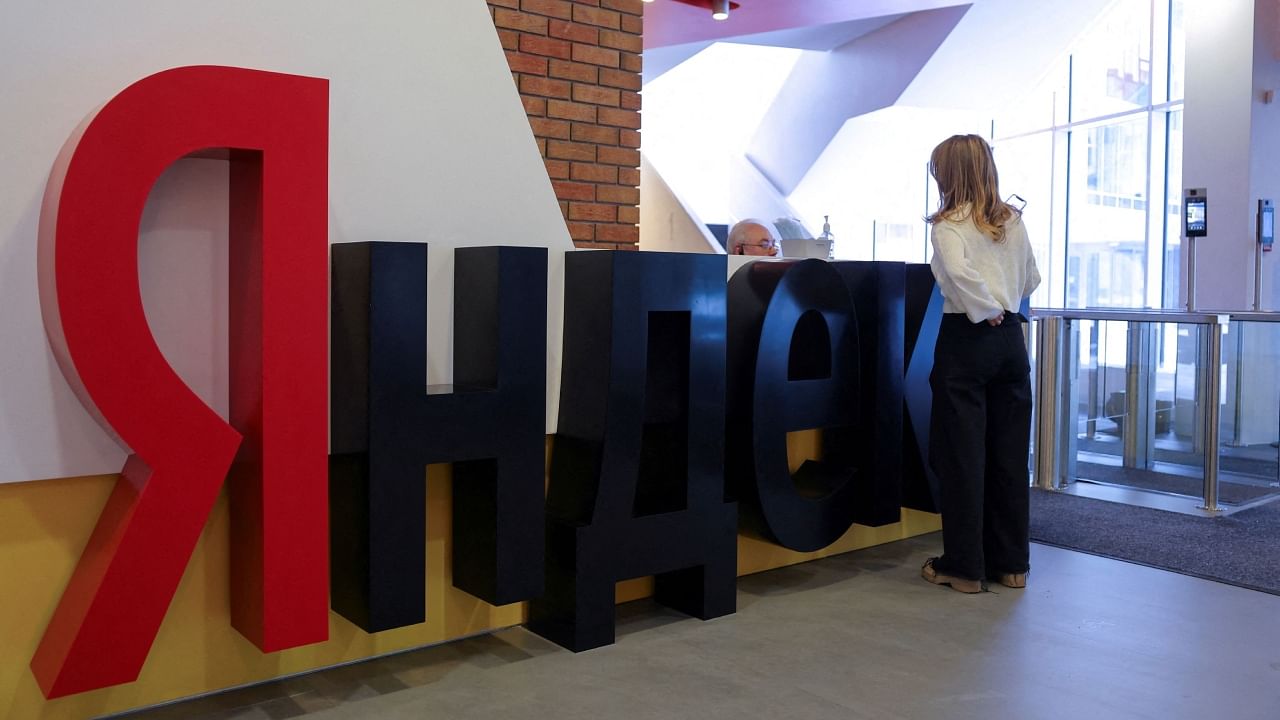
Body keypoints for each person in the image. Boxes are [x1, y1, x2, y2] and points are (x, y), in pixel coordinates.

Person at [921, 134, 1041, 594]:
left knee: (962, 455)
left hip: (968, 338)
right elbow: (1032, 276)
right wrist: (1003, 306)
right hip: (1012, 338)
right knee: (1010, 455)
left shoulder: (948, 224)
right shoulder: (1012, 219)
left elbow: (957, 274)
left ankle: (965, 568)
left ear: (948, 173)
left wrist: (985, 309)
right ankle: (1012, 566)